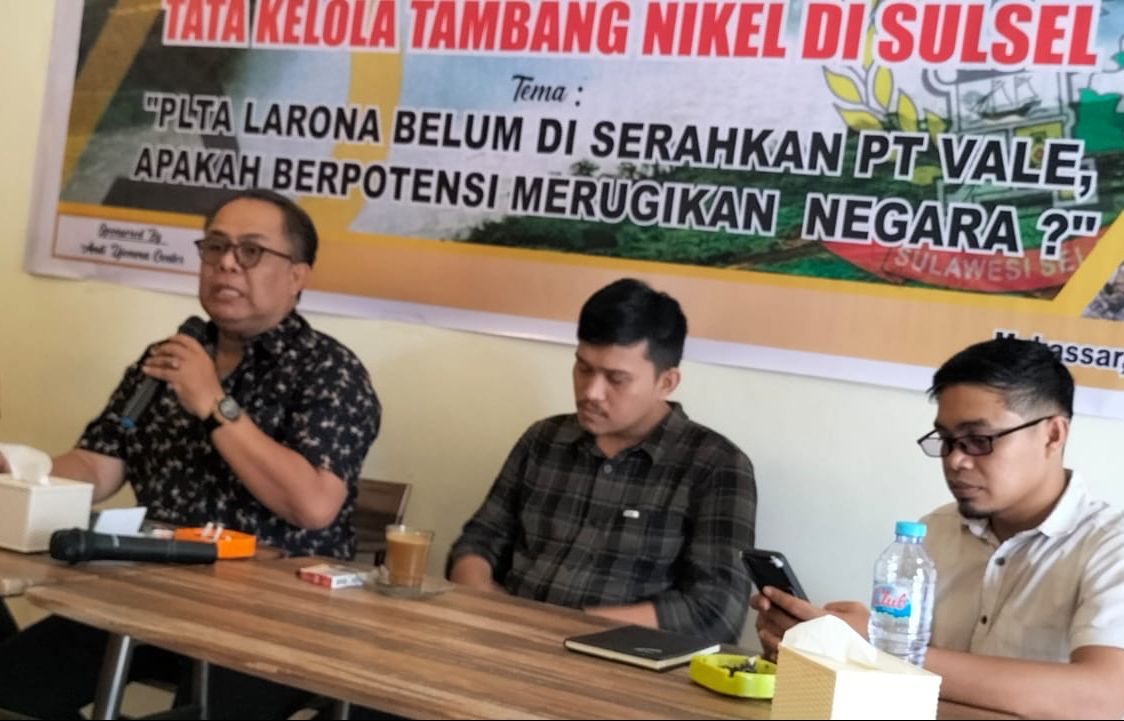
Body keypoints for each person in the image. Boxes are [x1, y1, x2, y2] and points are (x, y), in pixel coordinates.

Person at [0, 188, 382, 718]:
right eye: (215, 247)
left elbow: (313, 505)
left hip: (275, 613)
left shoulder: (329, 372)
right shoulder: (171, 357)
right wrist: (27, 470)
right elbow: (98, 462)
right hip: (148, 590)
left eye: (251, 251)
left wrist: (213, 404)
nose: (226, 263)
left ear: (297, 275)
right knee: (12, 692)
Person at [753, 338, 1124, 719]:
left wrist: (880, 646)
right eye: (946, 441)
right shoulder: (932, 535)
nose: (956, 460)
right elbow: (893, 686)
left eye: (979, 440)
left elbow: (1097, 701)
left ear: (1053, 435)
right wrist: (827, 647)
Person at [447, 278, 757, 644]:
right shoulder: (544, 439)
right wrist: (488, 604)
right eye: (583, 368)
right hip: (506, 641)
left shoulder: (715, 465)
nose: (591, 392)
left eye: (616, 379)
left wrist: (559, 628)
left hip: (621, 661)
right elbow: (477, 542)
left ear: (667, 382)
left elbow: (716, 612)